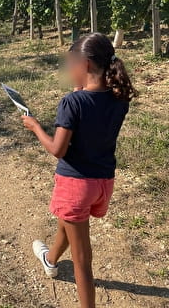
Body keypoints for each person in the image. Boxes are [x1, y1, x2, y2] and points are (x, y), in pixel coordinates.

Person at [21, 33, 138, 308]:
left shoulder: (72, 103)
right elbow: (94, 118)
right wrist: (79, 91)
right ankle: (50, 259)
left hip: (76, 184)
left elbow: (58, 149)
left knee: (82, 262)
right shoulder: (119, 99)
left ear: (84, 65)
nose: (68, 69)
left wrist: (35, 126)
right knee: (70, 221)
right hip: (103, 184)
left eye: (70, 64)